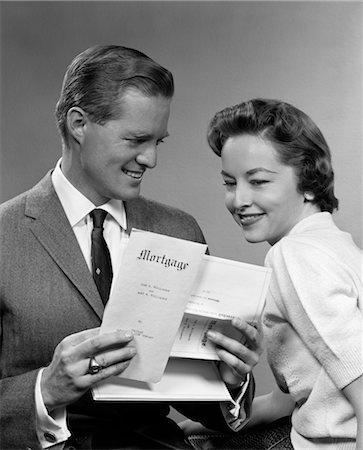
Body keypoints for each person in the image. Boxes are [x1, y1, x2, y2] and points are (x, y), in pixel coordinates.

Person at [0, 45, 262, 450]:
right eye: (137, 139)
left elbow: (199, 396)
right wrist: (45, 389)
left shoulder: (180, 230)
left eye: (159, 141)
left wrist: (230, 380)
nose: (151, 158)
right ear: (78, 124)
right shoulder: (4, 235)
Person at [206, 98, 362, 449]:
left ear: (309, 182)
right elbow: (303, 395)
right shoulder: (339, 248)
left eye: (258, 181)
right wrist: (198, 428)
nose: (240, 200)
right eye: (230, 183)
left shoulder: (293, 256)